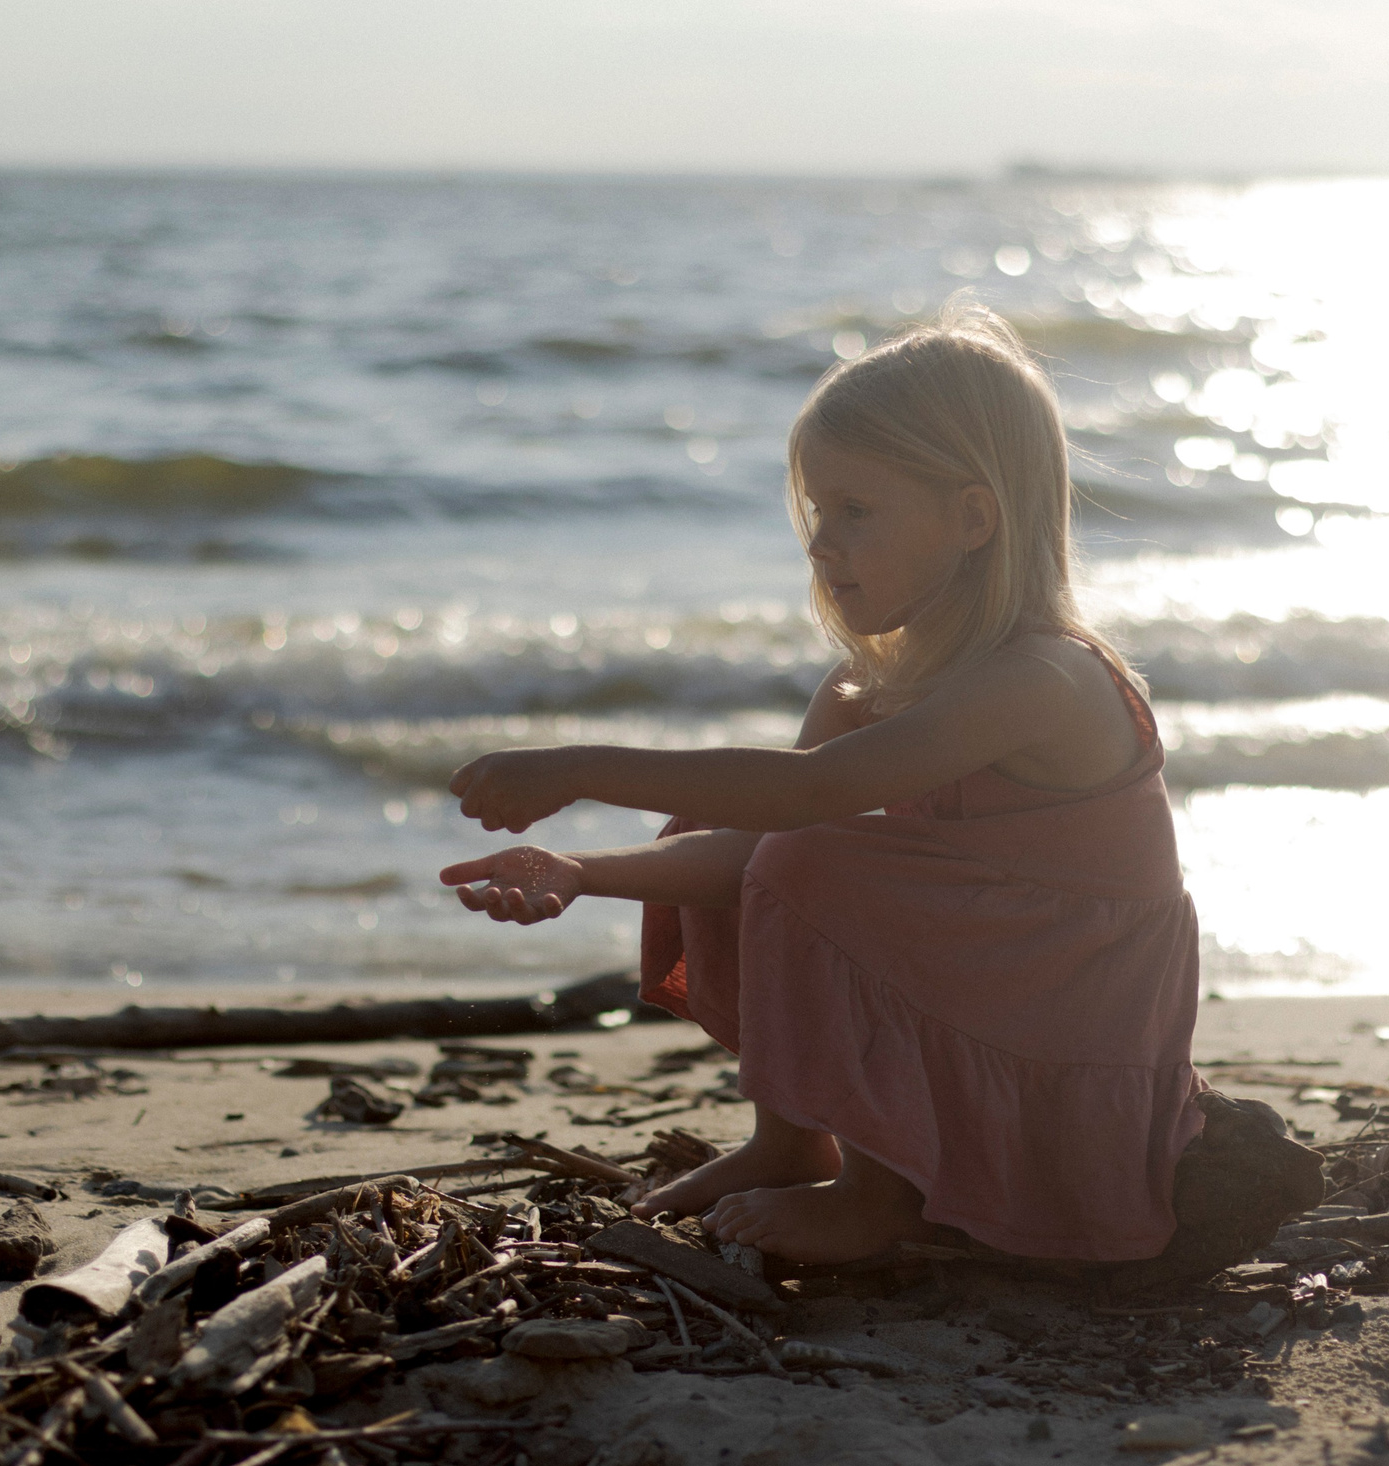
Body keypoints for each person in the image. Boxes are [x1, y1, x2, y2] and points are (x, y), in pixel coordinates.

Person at [438, 301, 1307, 1270]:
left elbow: (808, 797)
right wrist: (576, 869)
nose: (821, 542)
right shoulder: (876, 680)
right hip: (995, 959)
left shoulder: (1040, 675)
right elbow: (748, 846)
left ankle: (876, 1195)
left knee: (808, 849)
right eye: (816, 512)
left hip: (1074, 999)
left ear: (972, 518)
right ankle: (787, 1143)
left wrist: (579, 768)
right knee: (748, 829)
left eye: (856, 510)